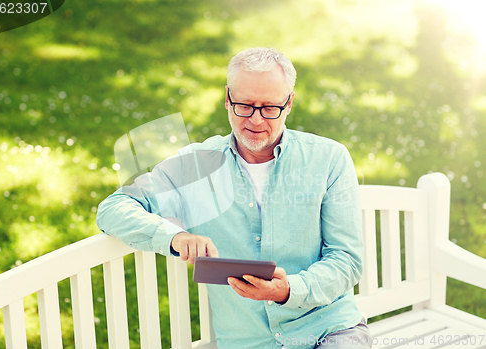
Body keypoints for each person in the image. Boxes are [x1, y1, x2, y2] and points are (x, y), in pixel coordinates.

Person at [97, 47, 372, 349]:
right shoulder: (195, 166)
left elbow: (346, 260)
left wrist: (290, 289)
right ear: (227, 98)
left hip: (329, 329)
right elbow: (113, 208)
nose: (255, 120)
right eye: (244, 105)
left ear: (289, 103)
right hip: (249, 342)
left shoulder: (329, 158)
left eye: (269, 108)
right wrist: (173, 237)